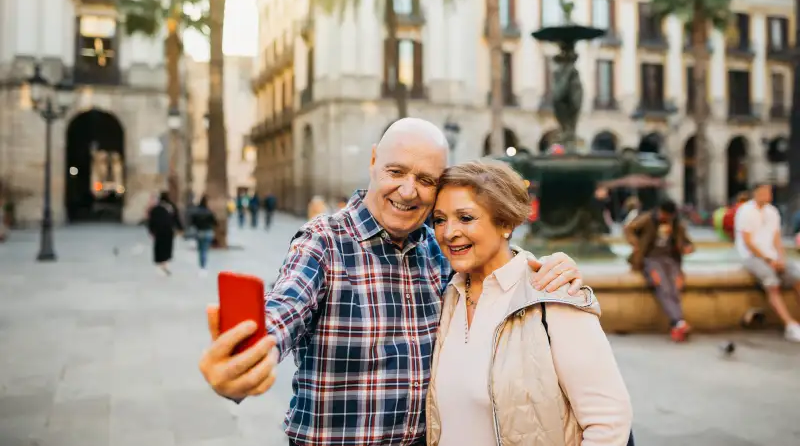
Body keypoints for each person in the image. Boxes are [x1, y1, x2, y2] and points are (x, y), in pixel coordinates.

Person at [198, 118, 585, 446]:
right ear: (372, 162)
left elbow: (495, 264)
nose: (408, 190)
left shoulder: (439, 250)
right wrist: (246, 360)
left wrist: (545, 266)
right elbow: (284, 309)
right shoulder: (324, 242)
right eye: (396, 172)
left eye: (425, 179)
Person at [427, 160, 632, 445]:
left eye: (465, 218)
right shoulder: (449, 293)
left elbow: (609, 423)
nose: (448, 232)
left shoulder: (553, 295)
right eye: (439, 219)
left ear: (506, 223)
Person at [734, 181, 800, 342]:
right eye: (765, 191)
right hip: (752, 257)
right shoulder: (745, 211)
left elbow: (777, 239)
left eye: (769, 192)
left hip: (772, 256)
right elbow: (748, 242)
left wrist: (781, 258)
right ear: (755, 193)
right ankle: (790, 325)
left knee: (797, 277)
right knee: (772, 284)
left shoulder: (772, 212)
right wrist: (769, 260)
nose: (768, 195)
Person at [624, 199, 695, 342]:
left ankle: (677, 323)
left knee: (675, 288)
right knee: (662, 286)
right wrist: (636, 245)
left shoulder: (676, 224)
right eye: (664, 214)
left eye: (668, 216)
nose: (665, 218)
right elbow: (628, 229)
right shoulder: (648, 219)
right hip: (651, 259)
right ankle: (678, 322)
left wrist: (687, 248)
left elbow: (688, 243)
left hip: (671, 260)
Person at [147, 191, 183, 276]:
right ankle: (165, 264)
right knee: (167, 247)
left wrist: (151, 231)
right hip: (168, 230)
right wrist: (180, 228)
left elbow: (151, 221)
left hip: (159, 231)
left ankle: (160, 264)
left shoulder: (155, 208)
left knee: (159, 247)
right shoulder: (171, 207)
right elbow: (176, 218)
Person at [191, 195, 217, 274]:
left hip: (199, 232)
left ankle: (201, 265)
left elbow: (193, 222)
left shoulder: (196, 212)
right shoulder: (209, 212)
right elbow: (215, 222)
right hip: (208, 232)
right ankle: (203, 265)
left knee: (200, 249)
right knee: (205, 249)